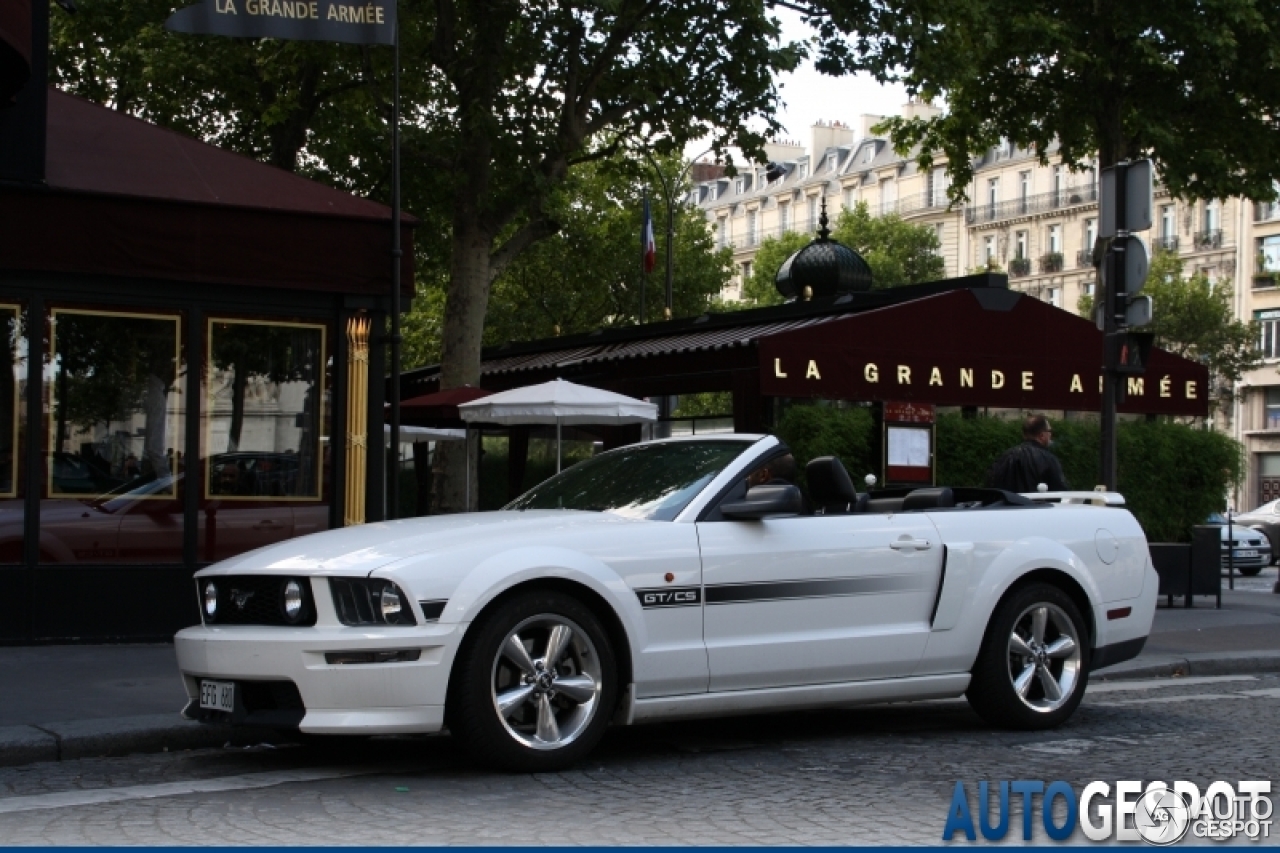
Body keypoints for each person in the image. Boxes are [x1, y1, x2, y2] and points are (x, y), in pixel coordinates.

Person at [986, 414, 1069, 493]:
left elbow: (992, 484)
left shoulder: (1006, 457)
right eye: (1049, 431)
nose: (1051, 434)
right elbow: (1060, 491)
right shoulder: (1049, 459)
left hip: (1009, 506)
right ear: (1042, 435)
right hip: (1038, 507)